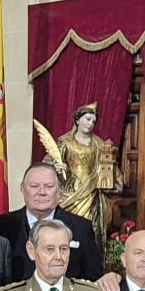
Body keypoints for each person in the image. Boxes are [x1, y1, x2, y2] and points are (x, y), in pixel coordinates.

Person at [0, 162, 104, 281]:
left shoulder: (81, 227)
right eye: (34, 186)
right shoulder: (2, 225)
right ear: (22, 189)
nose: (42, 192)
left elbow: (93, 278)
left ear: (59, 191)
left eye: (49, 186)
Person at [41, 105, 121, 249]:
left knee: (90, 233)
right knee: (67, 231)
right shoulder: (65, 142)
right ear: (78, 120)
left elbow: (110, 167)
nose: (90, 124)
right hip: (70, 195)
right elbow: (48, 164)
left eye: (93, 121)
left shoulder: (99, 143)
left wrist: (110, 181)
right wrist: (57, 169)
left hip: (91, 197)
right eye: (88, 119)